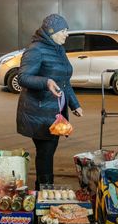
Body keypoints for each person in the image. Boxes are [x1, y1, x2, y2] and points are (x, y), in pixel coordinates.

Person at [16, 14, 83, 190]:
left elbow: (64, 81)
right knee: (45, 152)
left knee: (49, 151)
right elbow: (22, 77)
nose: (67, 34)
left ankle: (46, 187)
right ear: (51, 32)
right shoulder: (35, 50)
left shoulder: (58, 49)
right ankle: (45, 189)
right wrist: (45, 82)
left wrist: (74, 104)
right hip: (38, 112)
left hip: (54, 113)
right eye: (64, 31)